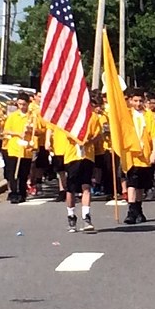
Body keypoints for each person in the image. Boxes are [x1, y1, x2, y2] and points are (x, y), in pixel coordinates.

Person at [57, 94, 104, 232]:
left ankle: (86, 216)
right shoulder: (70, 117)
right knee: (71, 188)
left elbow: (98, 134)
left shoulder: (93, 117)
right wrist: (79, 140)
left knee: (86, 186)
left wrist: (90, 140)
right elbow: (67, 134)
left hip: (87, 156)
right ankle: (71, 216)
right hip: (72, 156)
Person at [123, 88, 155, 225]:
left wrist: (154, 152)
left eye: (140, 101)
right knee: (132, 183)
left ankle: (138, 209)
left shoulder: (148, 115)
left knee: (140, 186)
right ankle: (131, 211)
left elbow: (154, 135)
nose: (138, 103)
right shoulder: (126, 114)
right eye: (135, 101)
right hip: (131, 154)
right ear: (130, 101)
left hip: (145, 154)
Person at [1, 91, 37, 203]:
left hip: (26, 149)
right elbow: (6, 130)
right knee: (13, 173)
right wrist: (17, 134)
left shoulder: (32, 117)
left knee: (23, 173)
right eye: (20, 104)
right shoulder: (13, 116)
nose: (22, 106)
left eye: (24, 104)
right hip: (14, 148)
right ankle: (13, 193)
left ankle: (22, 193)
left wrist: (30, 131)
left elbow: (38, 131)